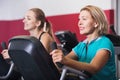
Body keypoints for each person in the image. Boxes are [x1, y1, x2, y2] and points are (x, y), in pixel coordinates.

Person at [50, 5, 116, 80]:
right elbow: (62, 62)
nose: (79, 23)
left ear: (96, 23)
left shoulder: (104, 42)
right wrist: (57, 59)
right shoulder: (82, 45)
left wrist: (65, 60)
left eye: (84, 19)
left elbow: (94, 68)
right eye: (79, 19)